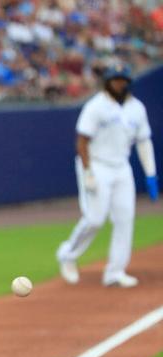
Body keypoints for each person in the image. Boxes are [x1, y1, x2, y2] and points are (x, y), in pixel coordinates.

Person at [56, 64, 157, 287]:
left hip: (121, 167)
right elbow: (82, 141)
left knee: (125, 218)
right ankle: (68, 254)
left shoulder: (136, 108)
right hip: (97, 164)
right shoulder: (96, 107)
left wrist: (151, 174)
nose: (119, 84)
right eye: (115, 80)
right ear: (108, 82)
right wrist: (88, 171)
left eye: (123, 80)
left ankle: (115, 271)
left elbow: (143, 141)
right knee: (94, 218)